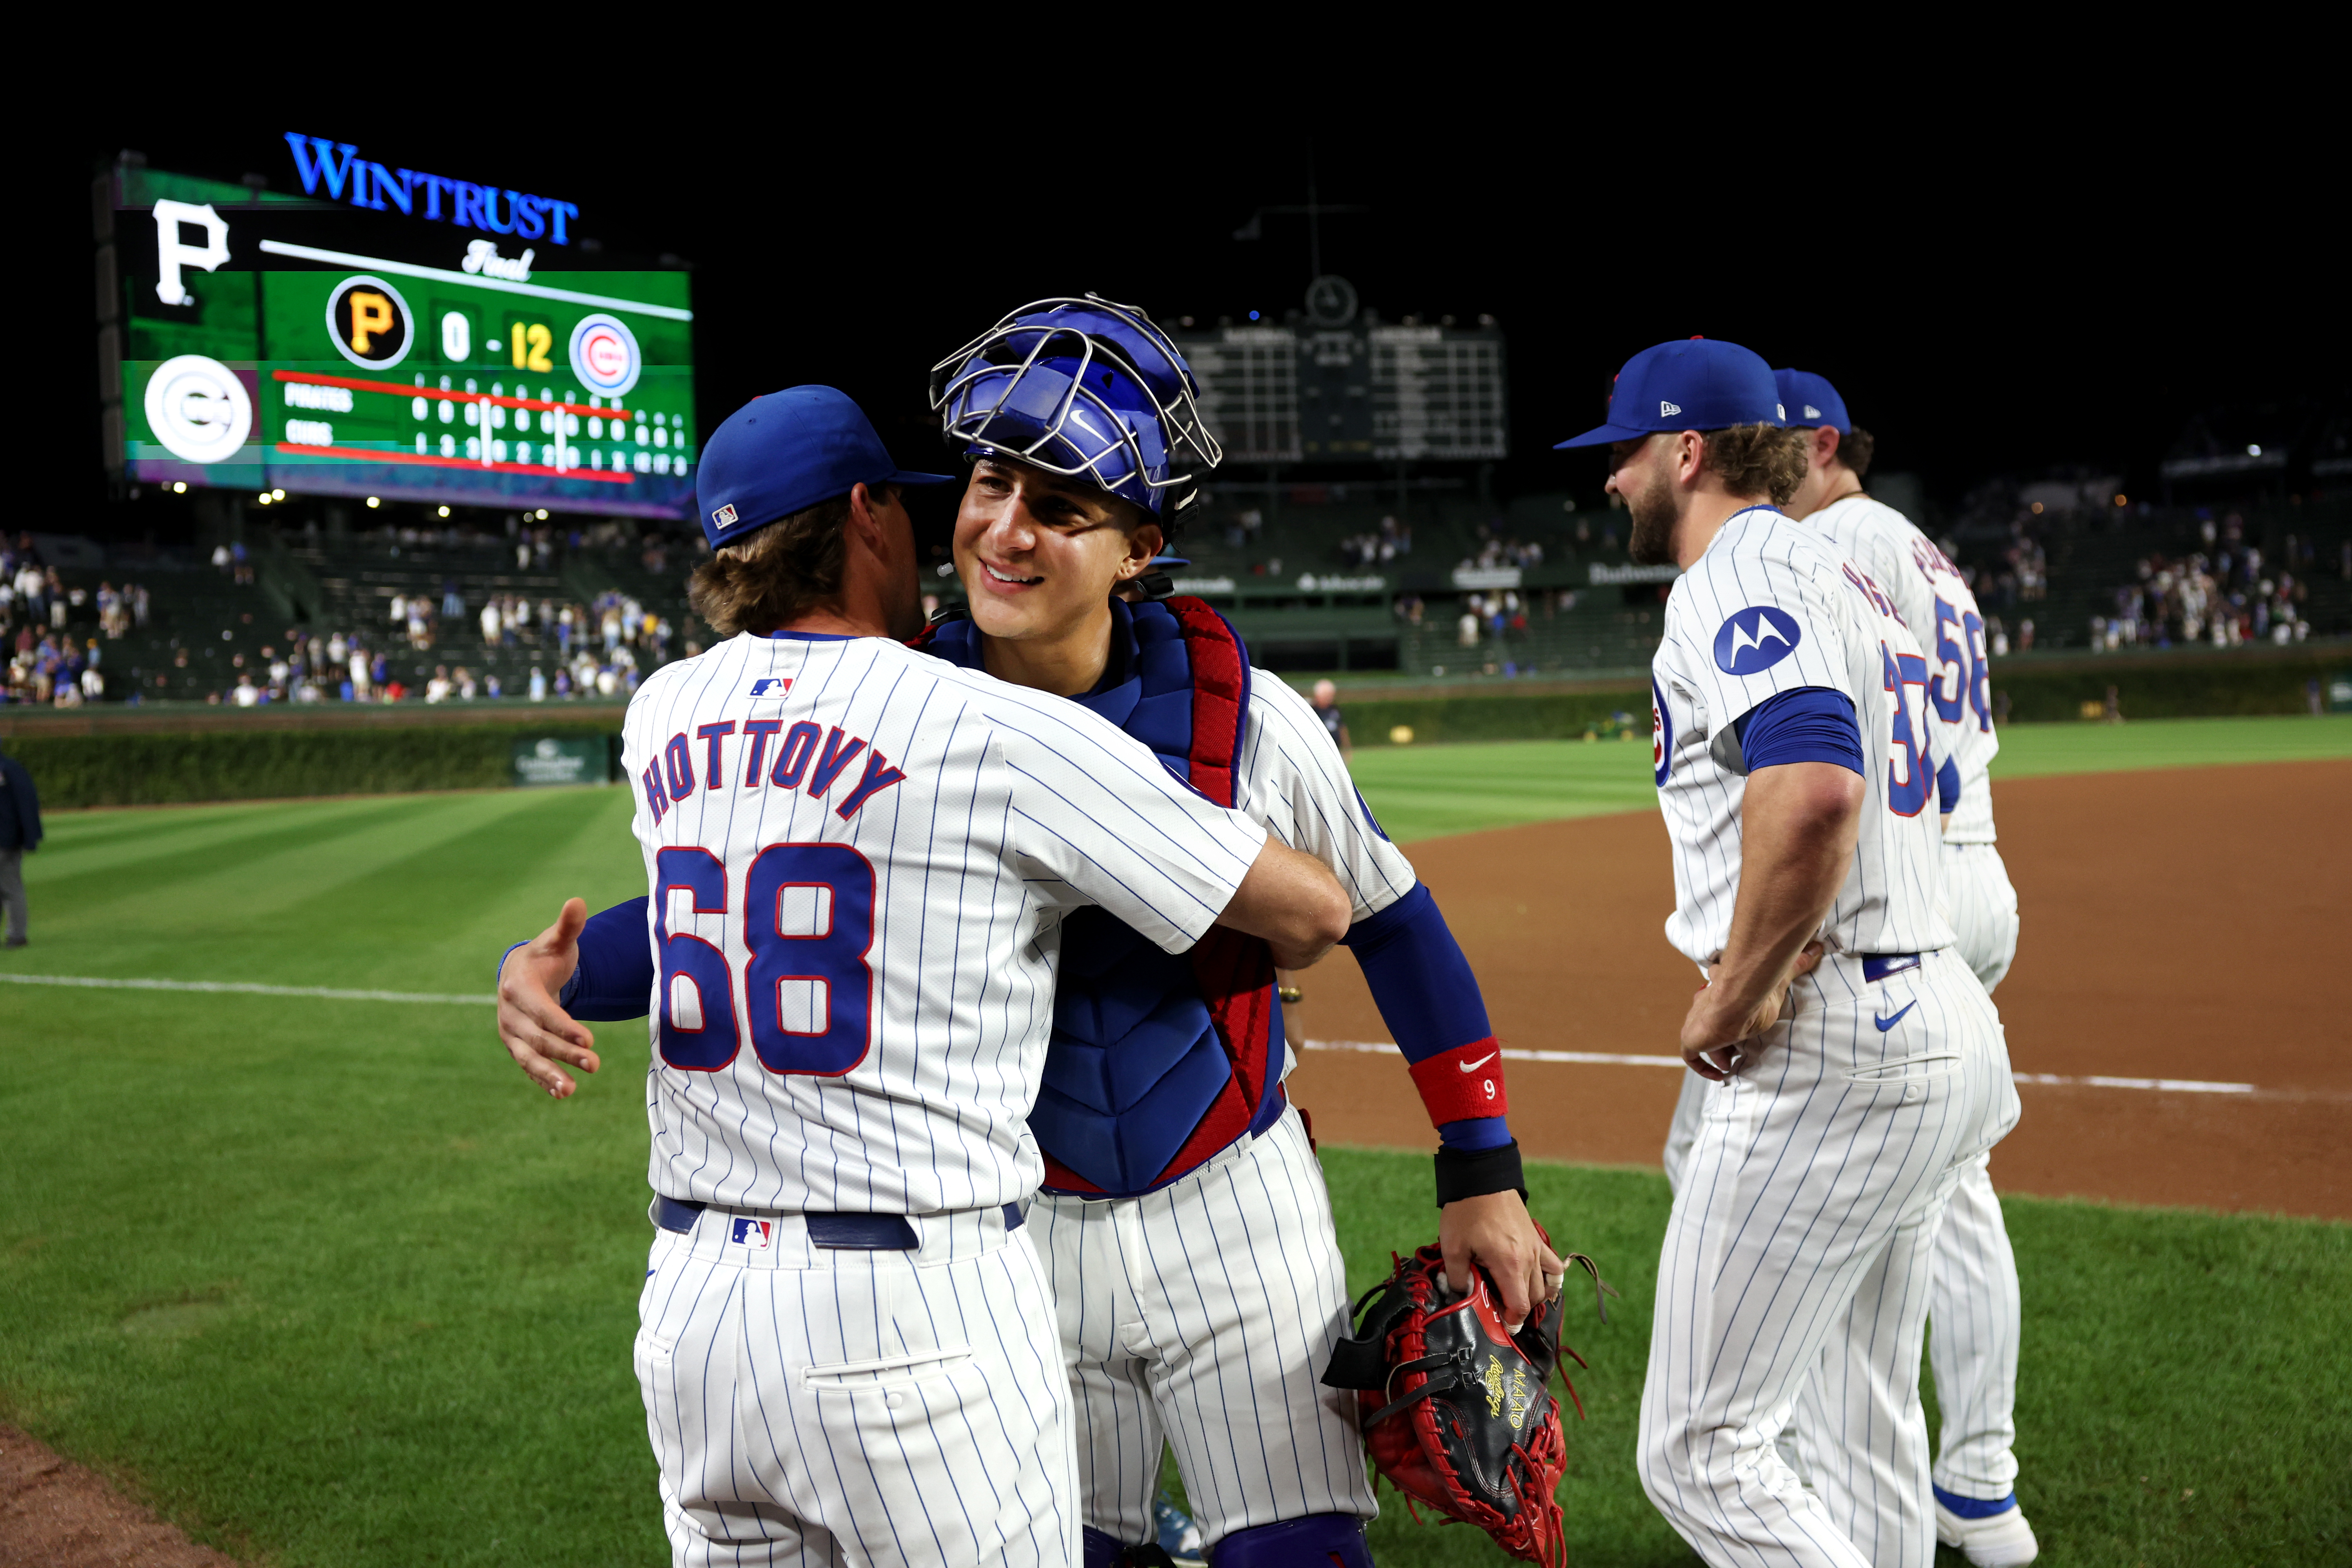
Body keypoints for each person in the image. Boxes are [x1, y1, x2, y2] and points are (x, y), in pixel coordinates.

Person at [494, 384, 1356, 1568]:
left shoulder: (663, 712)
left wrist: (536, 968)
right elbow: (1312, 908)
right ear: (868, 515)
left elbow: (733, 897)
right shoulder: (985, 722)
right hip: (912, 1312)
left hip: (695, 1315)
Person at [1556, 338, 2018, 1568]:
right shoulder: (1847, 576)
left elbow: (1810, 786)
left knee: (1699, 1452)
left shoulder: (1731, 575)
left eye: (1622, 452)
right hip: (1936, 1015)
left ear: (1685, 451)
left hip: (1835, 1043)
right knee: (1859, 1416)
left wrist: (1731, 989)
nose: (1610, 480)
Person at [1764, 370, 2036, 1566]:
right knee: (1951, 1188)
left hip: (1908, 880)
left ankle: (1840, 1482)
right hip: (1972, 864)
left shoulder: (1837, 545)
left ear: (1821, 444)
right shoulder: (1921, 549)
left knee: (1862, 1196)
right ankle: (1977, 1485)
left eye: (1769, 445)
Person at [0, 745, 39, 945]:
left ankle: (17, 935)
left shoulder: (8, 769)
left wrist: (30, 836)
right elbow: (28, 800)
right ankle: (16, 934)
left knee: (11, 887)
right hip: (10, 838)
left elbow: (25, 802)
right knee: (9, 886)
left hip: (6, 839)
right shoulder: (12, 768)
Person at [1309, 677, 1352, 762]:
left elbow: (1342, 729)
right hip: (1318, 752)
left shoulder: (1334, 709)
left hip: (1336, 751)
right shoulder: (1311, 710)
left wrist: (1347, 748)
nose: (1330, 698)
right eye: (1327, 695)